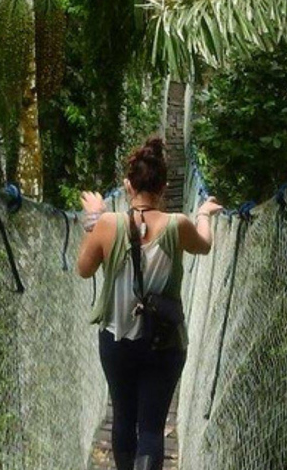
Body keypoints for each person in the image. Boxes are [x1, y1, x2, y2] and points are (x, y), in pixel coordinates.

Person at [76, 136, 222, 470]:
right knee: (153, 428)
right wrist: (203, 214)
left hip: (117, 339)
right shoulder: (178, 224)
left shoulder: (107, 224)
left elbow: (84, 270)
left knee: (123, 419)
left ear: (128, 186)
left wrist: (94, 220)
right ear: (164, 187)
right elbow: (205, 246)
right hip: (164, 341)